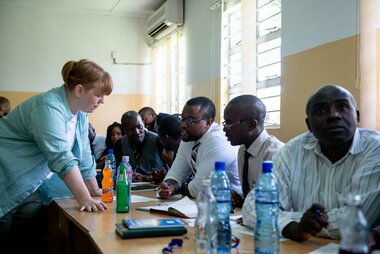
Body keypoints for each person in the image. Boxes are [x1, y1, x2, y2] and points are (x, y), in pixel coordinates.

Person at [242, 84, 380, 241]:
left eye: (342, 107)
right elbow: (252, 207)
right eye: (321, 111)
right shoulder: (293, 150)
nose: (333, 115)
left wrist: (286, 219)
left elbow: (355, 221)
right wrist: (292, 228)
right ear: (309, 125)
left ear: (357, 117)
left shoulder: (375, 148)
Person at [0, 59, 111, 250]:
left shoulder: (81, 113)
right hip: (6, 179)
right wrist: (84, 198)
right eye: (99, 95)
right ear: (79, 90)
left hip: (30, 187)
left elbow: (84, 153)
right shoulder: (48, 106)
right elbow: (61, 158)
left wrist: (93, 190)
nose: (102, 101)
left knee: (24, 243)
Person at [158, 96, 242, 199]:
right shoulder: (189, 137)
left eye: (190, 121)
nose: (183, 125)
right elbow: (176, 174)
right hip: (207, 202)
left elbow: (199, 189)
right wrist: (168, 186)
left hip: (233, 206)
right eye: (182, 119)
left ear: (208, 122)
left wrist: (178, 187)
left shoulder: (217, 140)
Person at [223, 95, 284, 208]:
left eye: (229, 123)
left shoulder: (276, 155)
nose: (225, 129)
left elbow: (276, 205)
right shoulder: (243, 150)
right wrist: (241, 200)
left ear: (251, 125)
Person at [114, 111, 167, 182]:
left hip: (155, 187)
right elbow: (113, 172)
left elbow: (171, 172)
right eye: (131, 129)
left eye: (139, 127)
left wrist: (160, 176)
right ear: (124, 130)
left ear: (143, 124)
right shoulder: (120, 144)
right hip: (130, 188)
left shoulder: (158, 140)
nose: (137, 132)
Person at [147, 114, 182, 184]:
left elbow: (184, 179)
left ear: (166, 137)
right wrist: (163, 176)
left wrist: (170, 162)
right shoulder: (174, 150)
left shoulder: (184, 150)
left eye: (159, 137)